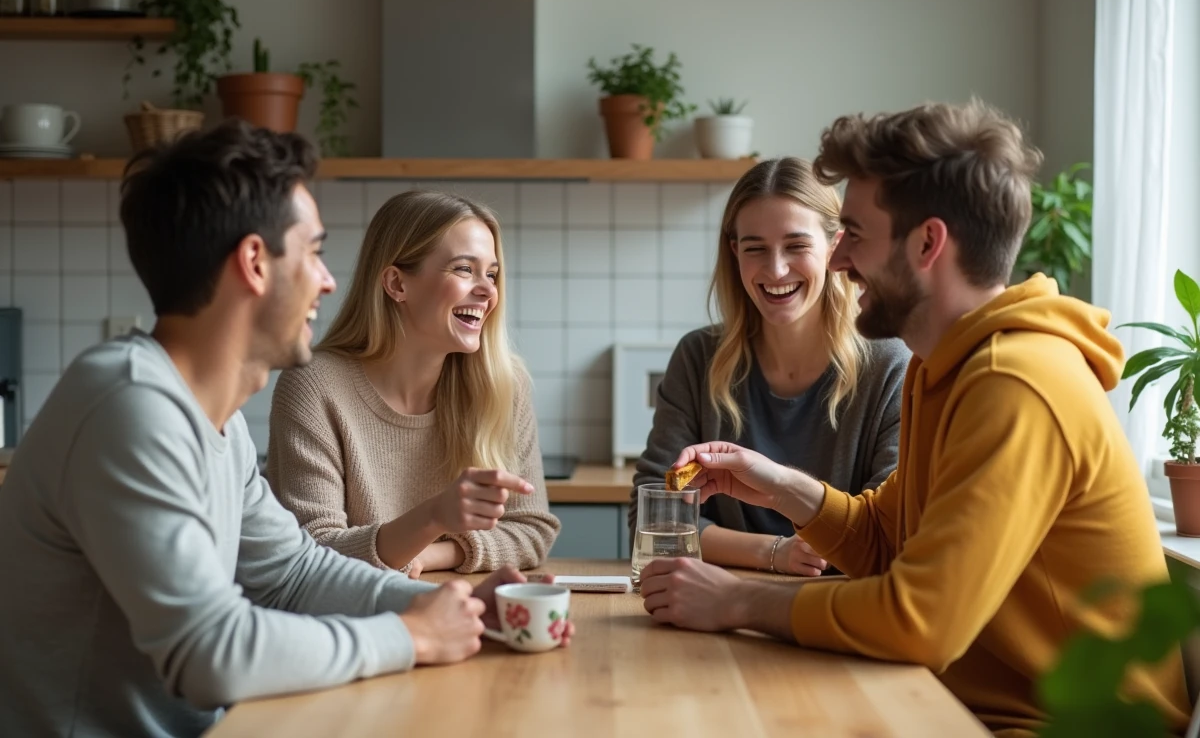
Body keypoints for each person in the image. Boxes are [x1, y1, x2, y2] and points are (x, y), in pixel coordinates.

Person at [637, 100, 1189, 736]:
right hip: (965, 707)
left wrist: (737, 599)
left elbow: (920, 620)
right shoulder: (945, 368)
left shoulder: (1017, 382)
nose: (840, 263)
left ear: (927, 243)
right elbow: (883, 540)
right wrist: (779, 483)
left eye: (856, 237)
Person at [0, 121, 568, 738]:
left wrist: (435, 605)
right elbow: (209, 655)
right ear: (253, 263)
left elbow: (294, 574)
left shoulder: (214, 420)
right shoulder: (130, 408)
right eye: (314, 252)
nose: (327, 280)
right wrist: (411, 635)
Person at [629, 157, 908, 577]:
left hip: (841, 608)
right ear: (734, 252)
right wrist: (774, 552)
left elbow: (889, 531)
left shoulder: (890, 365)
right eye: (755, 247)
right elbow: (653, 516)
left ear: (836, 248)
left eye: (797, 246)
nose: (776, 270)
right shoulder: (697, 357)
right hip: (716, 599)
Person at [267, 190, 560, 578]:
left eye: (491, 273)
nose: (489, 291)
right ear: (396, 284)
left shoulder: (504, 383)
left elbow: (532, 530)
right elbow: (311, 550)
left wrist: (437, 554)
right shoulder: (314, 386)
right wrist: (434, 517)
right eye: (463, 269)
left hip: (460, 611)